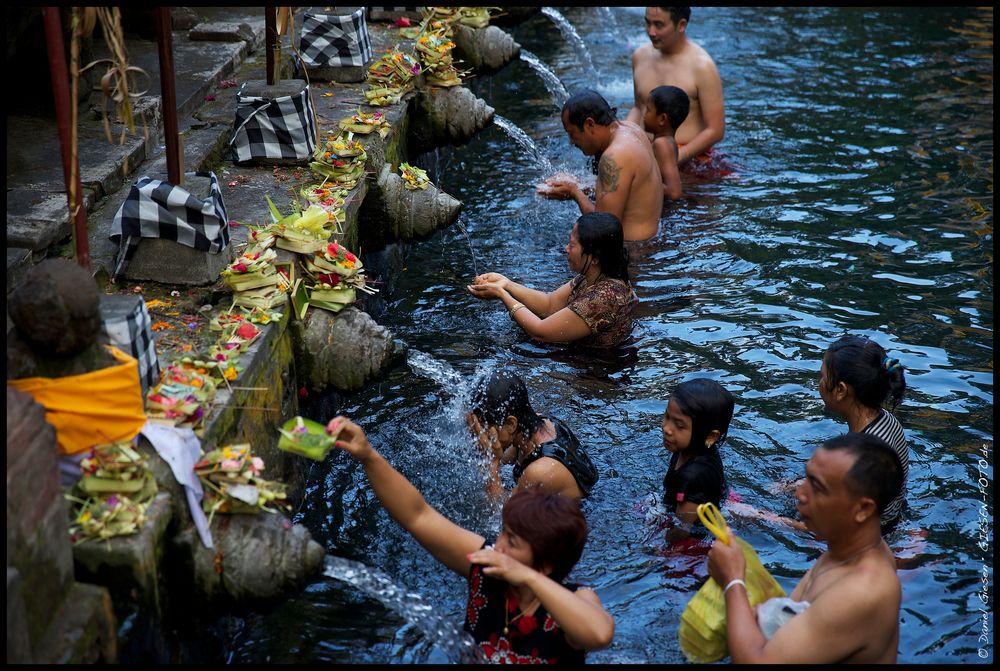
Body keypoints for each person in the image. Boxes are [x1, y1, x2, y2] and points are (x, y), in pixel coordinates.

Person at [328, 416, 615, 663]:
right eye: (503, 533)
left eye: (512, 542)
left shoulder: (576, 601)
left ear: (546, 564)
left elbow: (600, 634)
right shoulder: (485, 570)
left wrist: (529, 579)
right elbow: (418, 516)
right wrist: (369, 456)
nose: (498, 545)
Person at [707, 433, 903, 663]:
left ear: (863, 509)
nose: (800, 494)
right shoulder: (846, 551)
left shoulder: (863, 592)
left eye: (818, 487)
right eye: (806, 479)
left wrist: (733, 580)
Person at [467, 211, 638, 349]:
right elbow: (549, 304)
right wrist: (507, 284)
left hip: (595, 375)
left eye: (572, 245)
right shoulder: (592, 276)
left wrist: (502, 295)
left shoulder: (604, 298)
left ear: (594, 258)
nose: (566, 249)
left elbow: (540, 332)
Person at [539, 91, 664, 242]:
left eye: (571, 133)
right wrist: (580, 185)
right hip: (653, 240)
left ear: (590, 124)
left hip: (634, 252)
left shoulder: (615, 156)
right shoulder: (632, 129)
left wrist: (574, 192)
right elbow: (627, 189)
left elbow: (604, 229)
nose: (571, 142)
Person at [819, 335, 909, 530]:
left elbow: (834, 529)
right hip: (894, 522)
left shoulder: (862, 457)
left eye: (823, 377)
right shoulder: (888, 420)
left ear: (841, 390)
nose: (819, 384)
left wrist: (763, 517)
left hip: (875, 541)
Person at [467, 370, 598, 501]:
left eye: (483, 428)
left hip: (577, 516)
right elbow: (504, 459)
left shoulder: (540, 471)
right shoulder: (536, 425)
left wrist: (492, 463)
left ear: (511, 424)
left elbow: (501, 511)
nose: (479, 435)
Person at [626, 7, 725, 167]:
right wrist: (623, 135)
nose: (651, 32)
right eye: (648, 23)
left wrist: (677, 157)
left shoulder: (702, 66)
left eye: (658, 25)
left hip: (691, 161)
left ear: (681, 25)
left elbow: (715, 130)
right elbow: (639, 108)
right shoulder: (640, 56)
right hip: (647, 153)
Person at [661, 378, 735, 539]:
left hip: (695, 537)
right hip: (711, 499)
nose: (667, 429)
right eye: (667, 416)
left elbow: (682, 528)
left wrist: (658, 547)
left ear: (710, 436)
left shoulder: (693, 477)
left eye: (679, 426)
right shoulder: (690, 447)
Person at [644, 85, 690, 200]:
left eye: (648, 110)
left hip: (665, 210)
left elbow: (674, 192)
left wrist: (640, 180)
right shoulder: (667, 141)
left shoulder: (662, 144)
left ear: (662, 119)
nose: (644, 115)